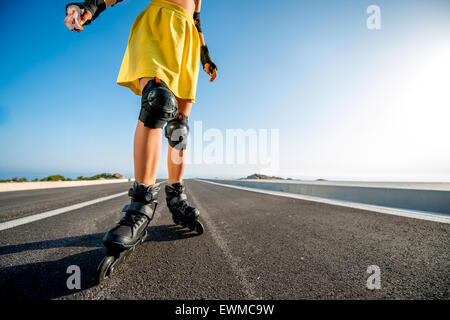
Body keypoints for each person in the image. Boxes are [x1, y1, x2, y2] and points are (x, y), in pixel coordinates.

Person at [64, 0, 217, 251]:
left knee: (179, 129)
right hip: (159, 25)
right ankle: (140, 207)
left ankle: (176, 197)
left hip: (187, 39)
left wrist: (205, 55)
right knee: (157, 103)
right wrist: (89, 7)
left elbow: (197, 20)